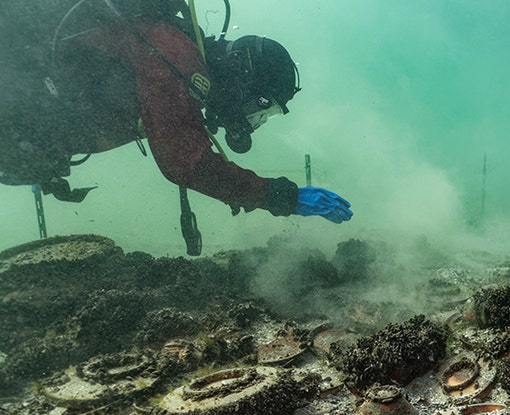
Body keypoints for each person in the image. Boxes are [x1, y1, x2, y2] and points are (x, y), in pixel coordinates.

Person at [0, 0, 351, 250]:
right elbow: (185, 162)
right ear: (244, 78)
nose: (252, 123)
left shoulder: (181, 62)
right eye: (260, 109)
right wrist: (282, 196)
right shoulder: (178, 56)